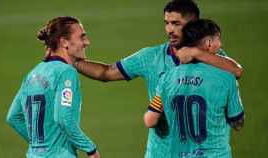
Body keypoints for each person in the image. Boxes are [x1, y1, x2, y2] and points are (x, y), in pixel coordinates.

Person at [74, 0, 243, 157]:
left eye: (176, 24)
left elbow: (235, 70)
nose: (169, 29)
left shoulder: (212, 57)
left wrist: (195, 52)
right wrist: (72, 61)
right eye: (167, 23)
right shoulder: (151, 57)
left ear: (193, 25)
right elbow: (106, 73)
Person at [144, 19, 244, 158]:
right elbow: (237, 123)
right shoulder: (226, 78)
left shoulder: (167, 78)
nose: (220, 44)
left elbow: (150, 120)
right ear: (209, 43)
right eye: (218, 39)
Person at [6, 16, 100, 158]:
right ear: (64, 42)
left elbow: (13, 117)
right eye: (82, 37)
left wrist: (41, 145)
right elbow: (64, 118)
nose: (87, 42)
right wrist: (90, 149)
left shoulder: (33, 74)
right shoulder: (66, 72)